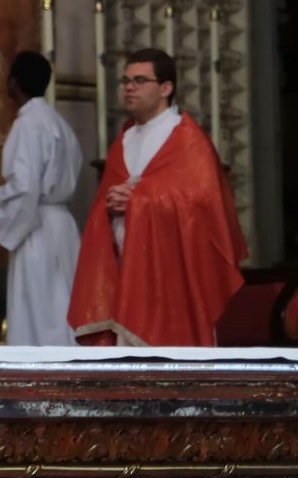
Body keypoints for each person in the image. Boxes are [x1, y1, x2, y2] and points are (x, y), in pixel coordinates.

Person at [68, 48, 245, 346]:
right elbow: (104, 205)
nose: (129, 88)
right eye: (126, 81)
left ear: (166, 88)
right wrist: (110, 208)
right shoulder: (124, 140)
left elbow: (203, 210)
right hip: (127, 272)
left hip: (175, 278)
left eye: (140, 80)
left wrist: (139, 203)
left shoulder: (189, 141)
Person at [0, 53, 82, 346]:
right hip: (64, 226)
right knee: (62, 306)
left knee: (39, 311)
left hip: (37, 226)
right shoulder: (58, 123)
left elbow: (26, 186)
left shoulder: (29, 124)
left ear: (13, 82)